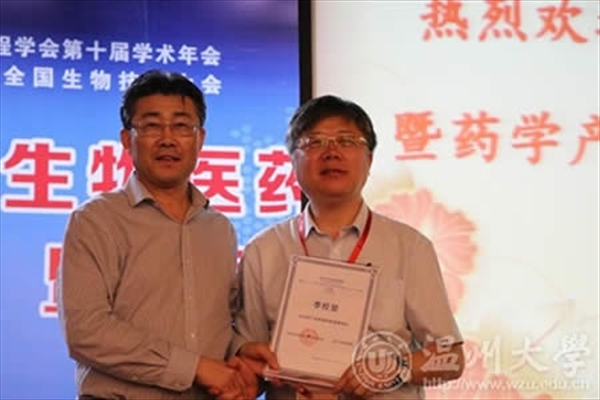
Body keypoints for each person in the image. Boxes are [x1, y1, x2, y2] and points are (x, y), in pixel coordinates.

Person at [233, 95, 465, 399]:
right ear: (292, 162)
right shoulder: (262, 252)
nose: (332, 152)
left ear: (369, 160)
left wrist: (393, 369)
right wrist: (255, 371)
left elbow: (451, 358)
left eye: (347, 141)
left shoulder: (410, 247)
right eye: (314, 142)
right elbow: (250, 357)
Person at [57, 70, 257, 400]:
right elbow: (86, 331)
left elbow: (217, 326)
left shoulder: (219, 229)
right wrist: (194, 367)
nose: (168, 139)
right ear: (127, 139)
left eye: (181, 126)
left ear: (200, 139)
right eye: (151, 126)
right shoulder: (96, 220)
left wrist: (242, 352)